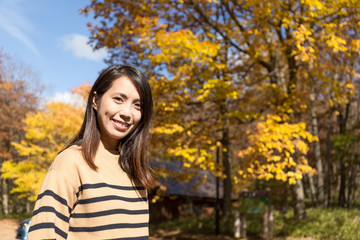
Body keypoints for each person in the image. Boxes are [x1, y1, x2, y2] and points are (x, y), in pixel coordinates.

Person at [27, 65, 155, 239]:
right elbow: (44, 235)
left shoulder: (136, 170)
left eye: (138, 105)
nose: (127, 113)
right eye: (118, 99)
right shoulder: (71, 161)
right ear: (96, 100)